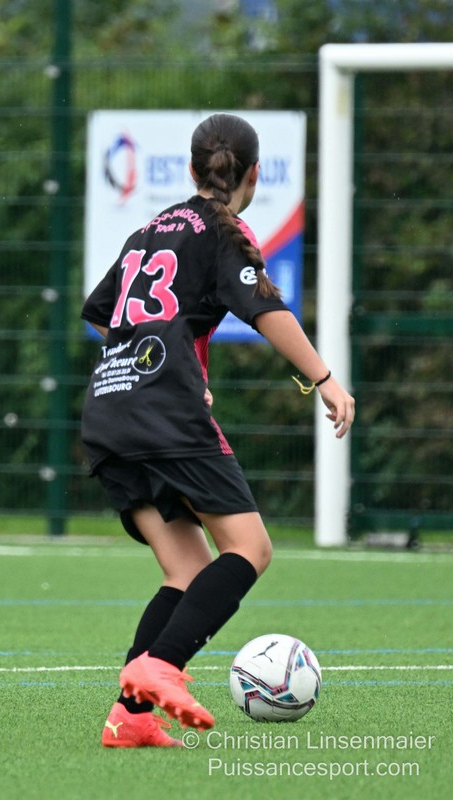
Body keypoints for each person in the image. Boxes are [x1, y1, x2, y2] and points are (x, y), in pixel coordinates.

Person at [80, 113, 355, 746]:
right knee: (250, 549)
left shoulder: (150, 229)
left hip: (109, 410)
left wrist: (157, 359)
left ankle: (130, 716)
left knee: (186, 569)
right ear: (254, 174)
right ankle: (160, 667)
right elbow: (266, 310)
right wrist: (325, 380)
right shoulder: (223, 231)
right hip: (165, 414)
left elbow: (101, 314)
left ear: (191, 169)